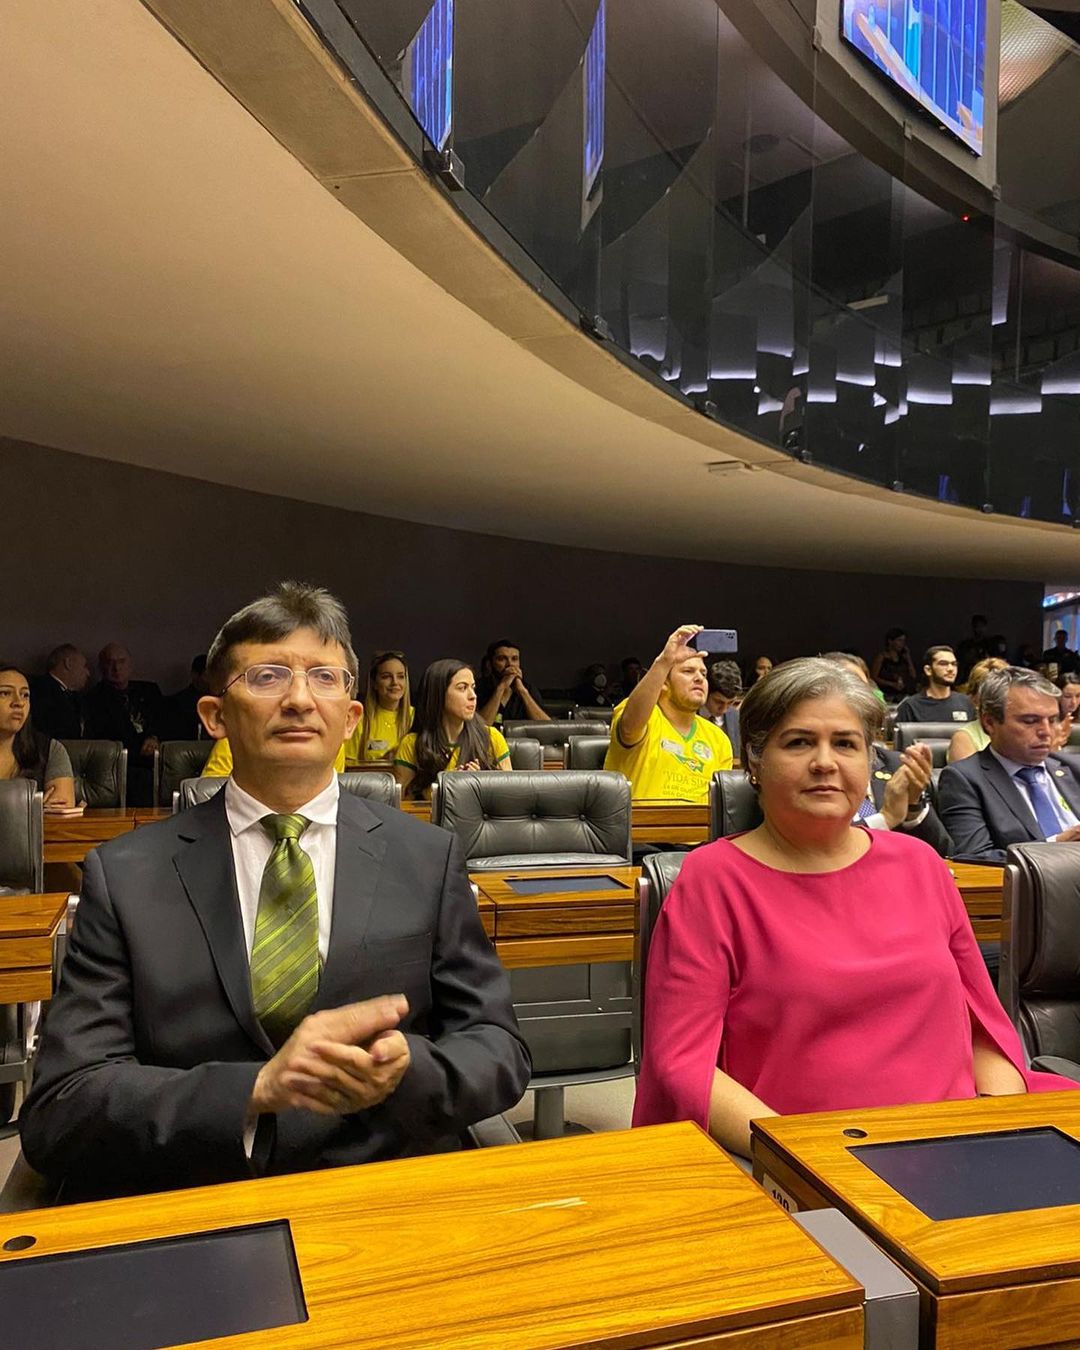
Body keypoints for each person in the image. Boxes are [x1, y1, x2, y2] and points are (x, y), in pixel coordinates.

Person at [21, 582, 529, 1200]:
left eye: (324, 677)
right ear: (214, 716)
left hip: (384, 1190)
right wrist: (255, 1090)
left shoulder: (427, 857)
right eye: (266, 677)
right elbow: (62, 1104)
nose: (298, 699)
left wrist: (408, 1066)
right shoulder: (125, 875)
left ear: (351, 717)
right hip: (198, 1199)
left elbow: (499, 1048)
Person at [633, 658, 1072, 1159]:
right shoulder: (712, 880)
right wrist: (808, 1161)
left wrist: (997, 1128)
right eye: (798, 742)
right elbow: (682, 1062)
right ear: (754, 761)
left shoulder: (920, 864)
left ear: (869, 762)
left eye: (845, 743)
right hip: (802, 1157)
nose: (825, 762)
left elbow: (984, 1027)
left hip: (955, 1140)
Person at [938, 666, 1080, 863]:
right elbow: (975, 855)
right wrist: (1054, 846)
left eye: (1053, 720)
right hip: (1033, 887)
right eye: (1030, 721)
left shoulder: (1073, 767)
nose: (1046, 731)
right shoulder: (964, 779)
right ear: (989, 723)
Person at [819, 653, 951, 857]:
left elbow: (944, 853)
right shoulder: (811, 768)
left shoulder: (894, 763)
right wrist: (885, 819)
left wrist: (913, 808)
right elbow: (815, 851)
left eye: (862, 690)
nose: (857, 699)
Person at [603, 625, 733, 804]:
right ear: (664, 682)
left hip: (702, 830)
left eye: (703, 673)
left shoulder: (718, 739)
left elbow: (723, 804)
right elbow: (629, 727)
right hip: (638, 829)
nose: (699, 678)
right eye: (688, 671)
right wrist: (665, 661)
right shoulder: (645, 717)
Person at [394, 659, 511, 800]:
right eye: (462, 688)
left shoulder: (491, 737)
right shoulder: (412, 743)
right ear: (438, 694)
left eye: (473, 687)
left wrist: (480, 782)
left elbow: (509, 798)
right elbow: (400, 804)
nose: (473, 696)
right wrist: (445, 785)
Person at [83, 642, 163, 805]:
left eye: (121, 661)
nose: (116, 668)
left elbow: (165, 720)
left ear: (131, 665)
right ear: (101, 667)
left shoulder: (150, 691)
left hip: (158, 759)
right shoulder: (93, 699)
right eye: (110, 662)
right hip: (122, 764)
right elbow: (102, 738)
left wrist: (153, 737)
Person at [0, 664, 76, 806]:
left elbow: (60, 808)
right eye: (5, 693)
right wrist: (33, 806)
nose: (18, 703)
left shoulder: (50, 750)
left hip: (34, 829)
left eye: (25, 695)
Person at [345, 651, 413, 764]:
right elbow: (347, 766)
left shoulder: (417, 718)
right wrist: (381, 762)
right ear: (374, 683)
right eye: (386, 677)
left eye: (400, 676)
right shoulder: (359, 719)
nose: (395, 682)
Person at [948, 657, 1009, 762]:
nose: (999, 698)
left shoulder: (1022, 730)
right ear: (974, 699)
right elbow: (969, 778)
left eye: (1003, 691)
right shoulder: (963, 738)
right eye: (990, 693)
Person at [894, 646, 976, 725]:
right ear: (928, 670)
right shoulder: (911, 706)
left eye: (954, 664)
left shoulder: (966, 703)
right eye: (943, 664)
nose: (951, 668)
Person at [475, 640, 548, 726]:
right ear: (490, 663)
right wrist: (500, 689)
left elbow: (546, 727)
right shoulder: (479, 687)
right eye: (502, 659)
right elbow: (480, 728)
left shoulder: (528, 689)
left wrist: (523, 692)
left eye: (514, 659)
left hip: (521, 739)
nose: (510, 664)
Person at [28, 643, 89, 741]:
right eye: (84, 666)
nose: (88, 673)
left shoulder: (76, 698)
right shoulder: (39, 691)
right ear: (68, 663)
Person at [158, 655, 211, 741]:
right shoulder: (176, 704)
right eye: (207, 675)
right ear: (195, 675)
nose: (211, 680)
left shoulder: (222, 701)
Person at [703, 660, 742, 760]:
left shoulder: (736, 717)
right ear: (706, 691)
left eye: (730, 703)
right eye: (718, 702)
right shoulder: (687, 715)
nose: (724, 709)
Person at [870, 628, 916, 701]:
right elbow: (874, 677)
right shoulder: (882, 657)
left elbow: (913, 675)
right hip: (887, 693)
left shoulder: (903, 658)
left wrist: (908, 658)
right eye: (899, 640)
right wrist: (892, 684)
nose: (902, 644)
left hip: (902, 694)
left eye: (904, 641)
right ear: (890, 641)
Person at [956, 615, 990, 682]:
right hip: (968, 676)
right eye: (977, 626)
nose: (979, 629)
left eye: (982, 626)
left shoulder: (991, 644)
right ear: (973, 627)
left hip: (986, 677)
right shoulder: (965, 645)